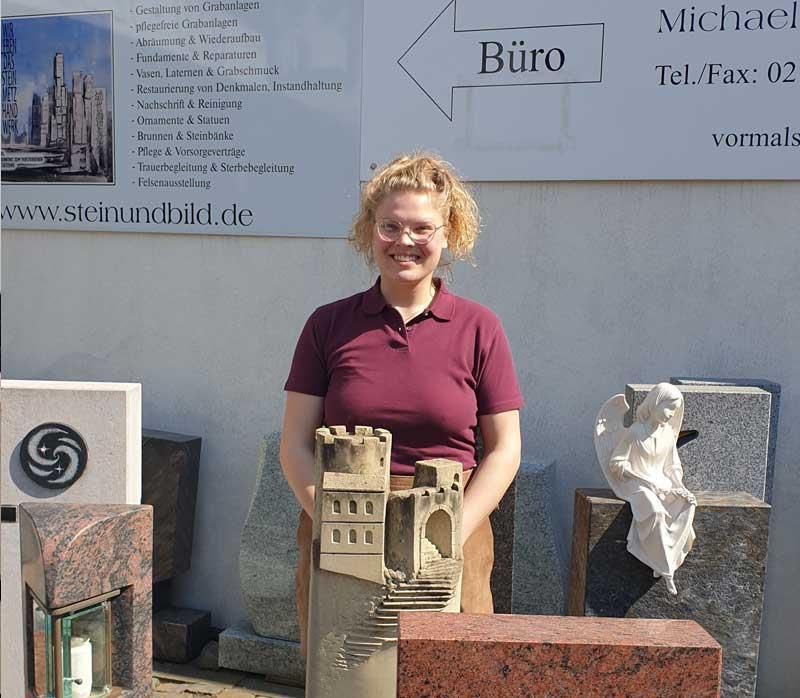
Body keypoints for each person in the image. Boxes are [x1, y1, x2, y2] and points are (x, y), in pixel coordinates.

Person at [280, 153, 523, 654]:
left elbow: (504, 449)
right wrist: (332, 519)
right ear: (370, 230)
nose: (404, 241)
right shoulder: (328, 325)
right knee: (348, 676)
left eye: (421, 228)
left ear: (448, 233)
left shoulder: (480, 328)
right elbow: (294, 444)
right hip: (344, 527)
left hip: (451, 527)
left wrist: (453, 531)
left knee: (448, 675)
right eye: (390, 226)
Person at [607, 383, 696, 594]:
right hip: (637, 485)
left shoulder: (668, 435)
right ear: (655, 403)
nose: (671, 414)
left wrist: (679, 486)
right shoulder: (635, 432)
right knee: (655, 512)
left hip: (662, 483)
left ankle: (662, 557)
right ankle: (667, 571)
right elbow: (616, 463)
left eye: (674, 411)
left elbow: (672, 466)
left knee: (688, 503)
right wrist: (641, 477)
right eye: (668, 408)